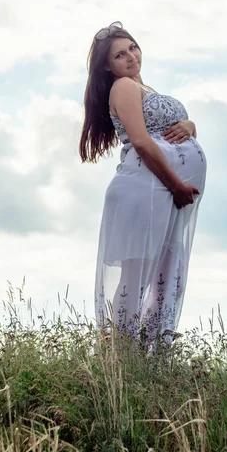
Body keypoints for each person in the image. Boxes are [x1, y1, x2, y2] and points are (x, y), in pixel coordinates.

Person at [79, 21, 207, 348]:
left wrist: (190, 125)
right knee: (136, 277)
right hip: (145, 190)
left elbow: (164, 131)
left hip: (159, 192)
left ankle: (146, 356)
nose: (130, 57)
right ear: (108, 66)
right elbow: (142, 143)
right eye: (120, 55)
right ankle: (123, 356)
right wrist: (177, 185)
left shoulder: (142, 87)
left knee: (161, 274)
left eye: (132, 47)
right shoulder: (122, 86)